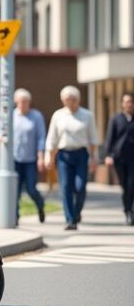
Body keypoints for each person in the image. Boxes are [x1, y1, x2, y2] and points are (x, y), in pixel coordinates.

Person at [45, 85, 99, 231]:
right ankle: (70, 219)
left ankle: (77, 212)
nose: (69, 102)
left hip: (81, 154)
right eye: (66, 100)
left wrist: (94, 159)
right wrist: (49, 157)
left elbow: (93, 139)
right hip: (63, 155)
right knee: (66, 187)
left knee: (80, 187)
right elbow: (52, 138)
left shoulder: (87, 115)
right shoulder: (58, 115)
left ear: (77, 100)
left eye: (72, 99)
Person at [0, 88, 46, 223]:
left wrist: (41, 157)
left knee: (31, 189)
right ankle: (15, 217)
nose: (24, 104)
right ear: (16, 102)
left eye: (26, 102)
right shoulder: (9, 116)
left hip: (30, 160)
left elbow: (41, 138)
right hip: (14, 159)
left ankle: (40, 205)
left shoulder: (36, 116)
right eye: (21, 102)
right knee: (15, 190)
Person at [104, 92, 134, 226]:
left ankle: (129, 211)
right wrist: (108, 155)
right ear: (122, 104)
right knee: (124, 186)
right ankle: (127, 209)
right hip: (119, 158)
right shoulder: (116, 119)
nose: (129, 104)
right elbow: (110, 138)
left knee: (131, 184)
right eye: (127, 101)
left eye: (131, 102)